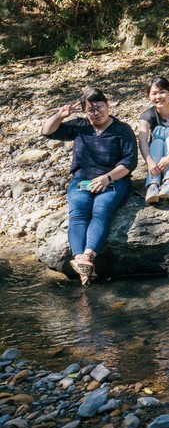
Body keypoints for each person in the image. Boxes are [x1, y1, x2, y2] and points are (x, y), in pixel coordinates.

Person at [41, 88, 137, 285]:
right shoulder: (80, 126)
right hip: (82, 179)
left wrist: (107, 178)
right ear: (84, 112)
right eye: (91, 110)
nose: (96, 112)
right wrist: (59, 115)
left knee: (101, 210)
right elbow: (46, 132)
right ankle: (81, 260)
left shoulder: (122, 129)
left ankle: (88, 255)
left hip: (114, 180)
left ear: (107, 105)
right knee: (79, 211)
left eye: (100, 107)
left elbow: (130, 162)